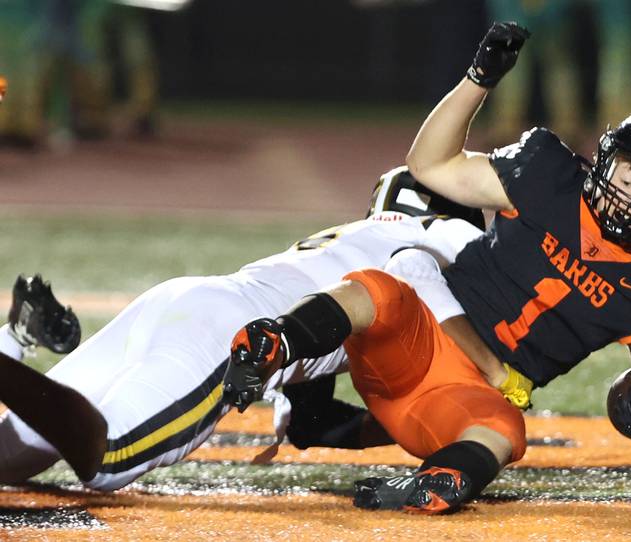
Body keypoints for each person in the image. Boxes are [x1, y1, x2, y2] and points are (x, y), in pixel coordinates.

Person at [223, 21, 631, 514]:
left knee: (504, 431)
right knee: (379, 288)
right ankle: (273, 342)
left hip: (457, 400)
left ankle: (440, 478)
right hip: (418, 338)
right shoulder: (547, 175)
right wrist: (478, 79)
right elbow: (429, 165)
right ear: (608, 160)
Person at [0, 167, 506, 491]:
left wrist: (410, 430)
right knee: (110, 457)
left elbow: (311, 422)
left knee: (7, 459)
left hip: (182, 299)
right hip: (227, 333)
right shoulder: (446, 237)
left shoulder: (351, 243)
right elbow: (417, 265)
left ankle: (11, 340)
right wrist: (493, 378)